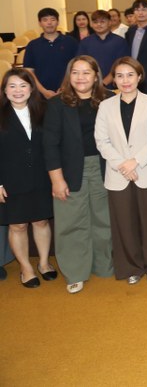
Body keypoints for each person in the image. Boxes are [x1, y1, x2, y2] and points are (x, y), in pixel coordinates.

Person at [94, 57, 147, 284]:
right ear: (114, 79)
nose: (125, 80)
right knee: (124, 223)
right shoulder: (105, 106)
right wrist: (123, 165)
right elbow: (101, 140)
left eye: (130, 75)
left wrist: (135, 161)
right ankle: (131, 267)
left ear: (139, 77)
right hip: (118, 174)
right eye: (119, 76)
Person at [43, 56, 113, 293]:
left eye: (86, 72)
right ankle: (75, 271)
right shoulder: (56, 103)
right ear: (68, 76)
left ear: (96, 75)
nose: (80, 77)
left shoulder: (109, 99)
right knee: (71, 222)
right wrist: (56, 179)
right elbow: (50, 144)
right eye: (75, 72)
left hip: (104, 167)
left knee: (104, 219)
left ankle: (104, 264)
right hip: (69, 169)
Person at [0, 68, 55, 288]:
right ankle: (26, 268)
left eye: (23, 85)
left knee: (41, 221)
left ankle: (44, 263)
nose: (18, 90)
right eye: (12, 86)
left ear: (31, 89)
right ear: (5, 90)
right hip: (10, 180)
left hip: (41, 177)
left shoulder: (44, 110)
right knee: (18, 225)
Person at [22, 7, 78, 99]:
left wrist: (65, 87)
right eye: (45, 20)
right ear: (40, 23)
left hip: (69, 92)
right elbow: (29, 72)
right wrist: (44, 91)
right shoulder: (32, 45)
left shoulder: (71, 42)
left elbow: (76, 67)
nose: (49, 23)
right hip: (41, 95)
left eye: (53, 19)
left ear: (58, 22)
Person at [77, 10, 130, 87]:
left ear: (109, 22)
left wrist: (104, 82)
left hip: (116, 85)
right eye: (95, 22)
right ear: (91, 24)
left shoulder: (120, 41)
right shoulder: (85, 42)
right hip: (90, 85)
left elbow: (122, 64)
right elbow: (81, 65)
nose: (98, 24)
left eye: (102, 22)